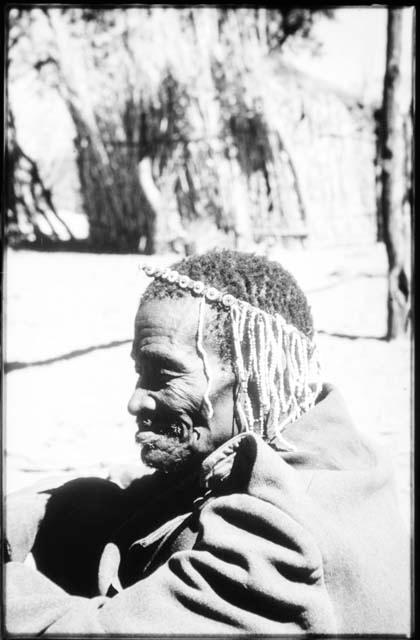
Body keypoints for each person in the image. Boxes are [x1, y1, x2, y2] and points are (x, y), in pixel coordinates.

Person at [5, 250, 410, 635]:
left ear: (254, 380)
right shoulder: (331, 445)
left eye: (164, 376)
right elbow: (174, 487)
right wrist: (48, 506)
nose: (135, 402)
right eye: (139, 373)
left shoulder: (279, 538)